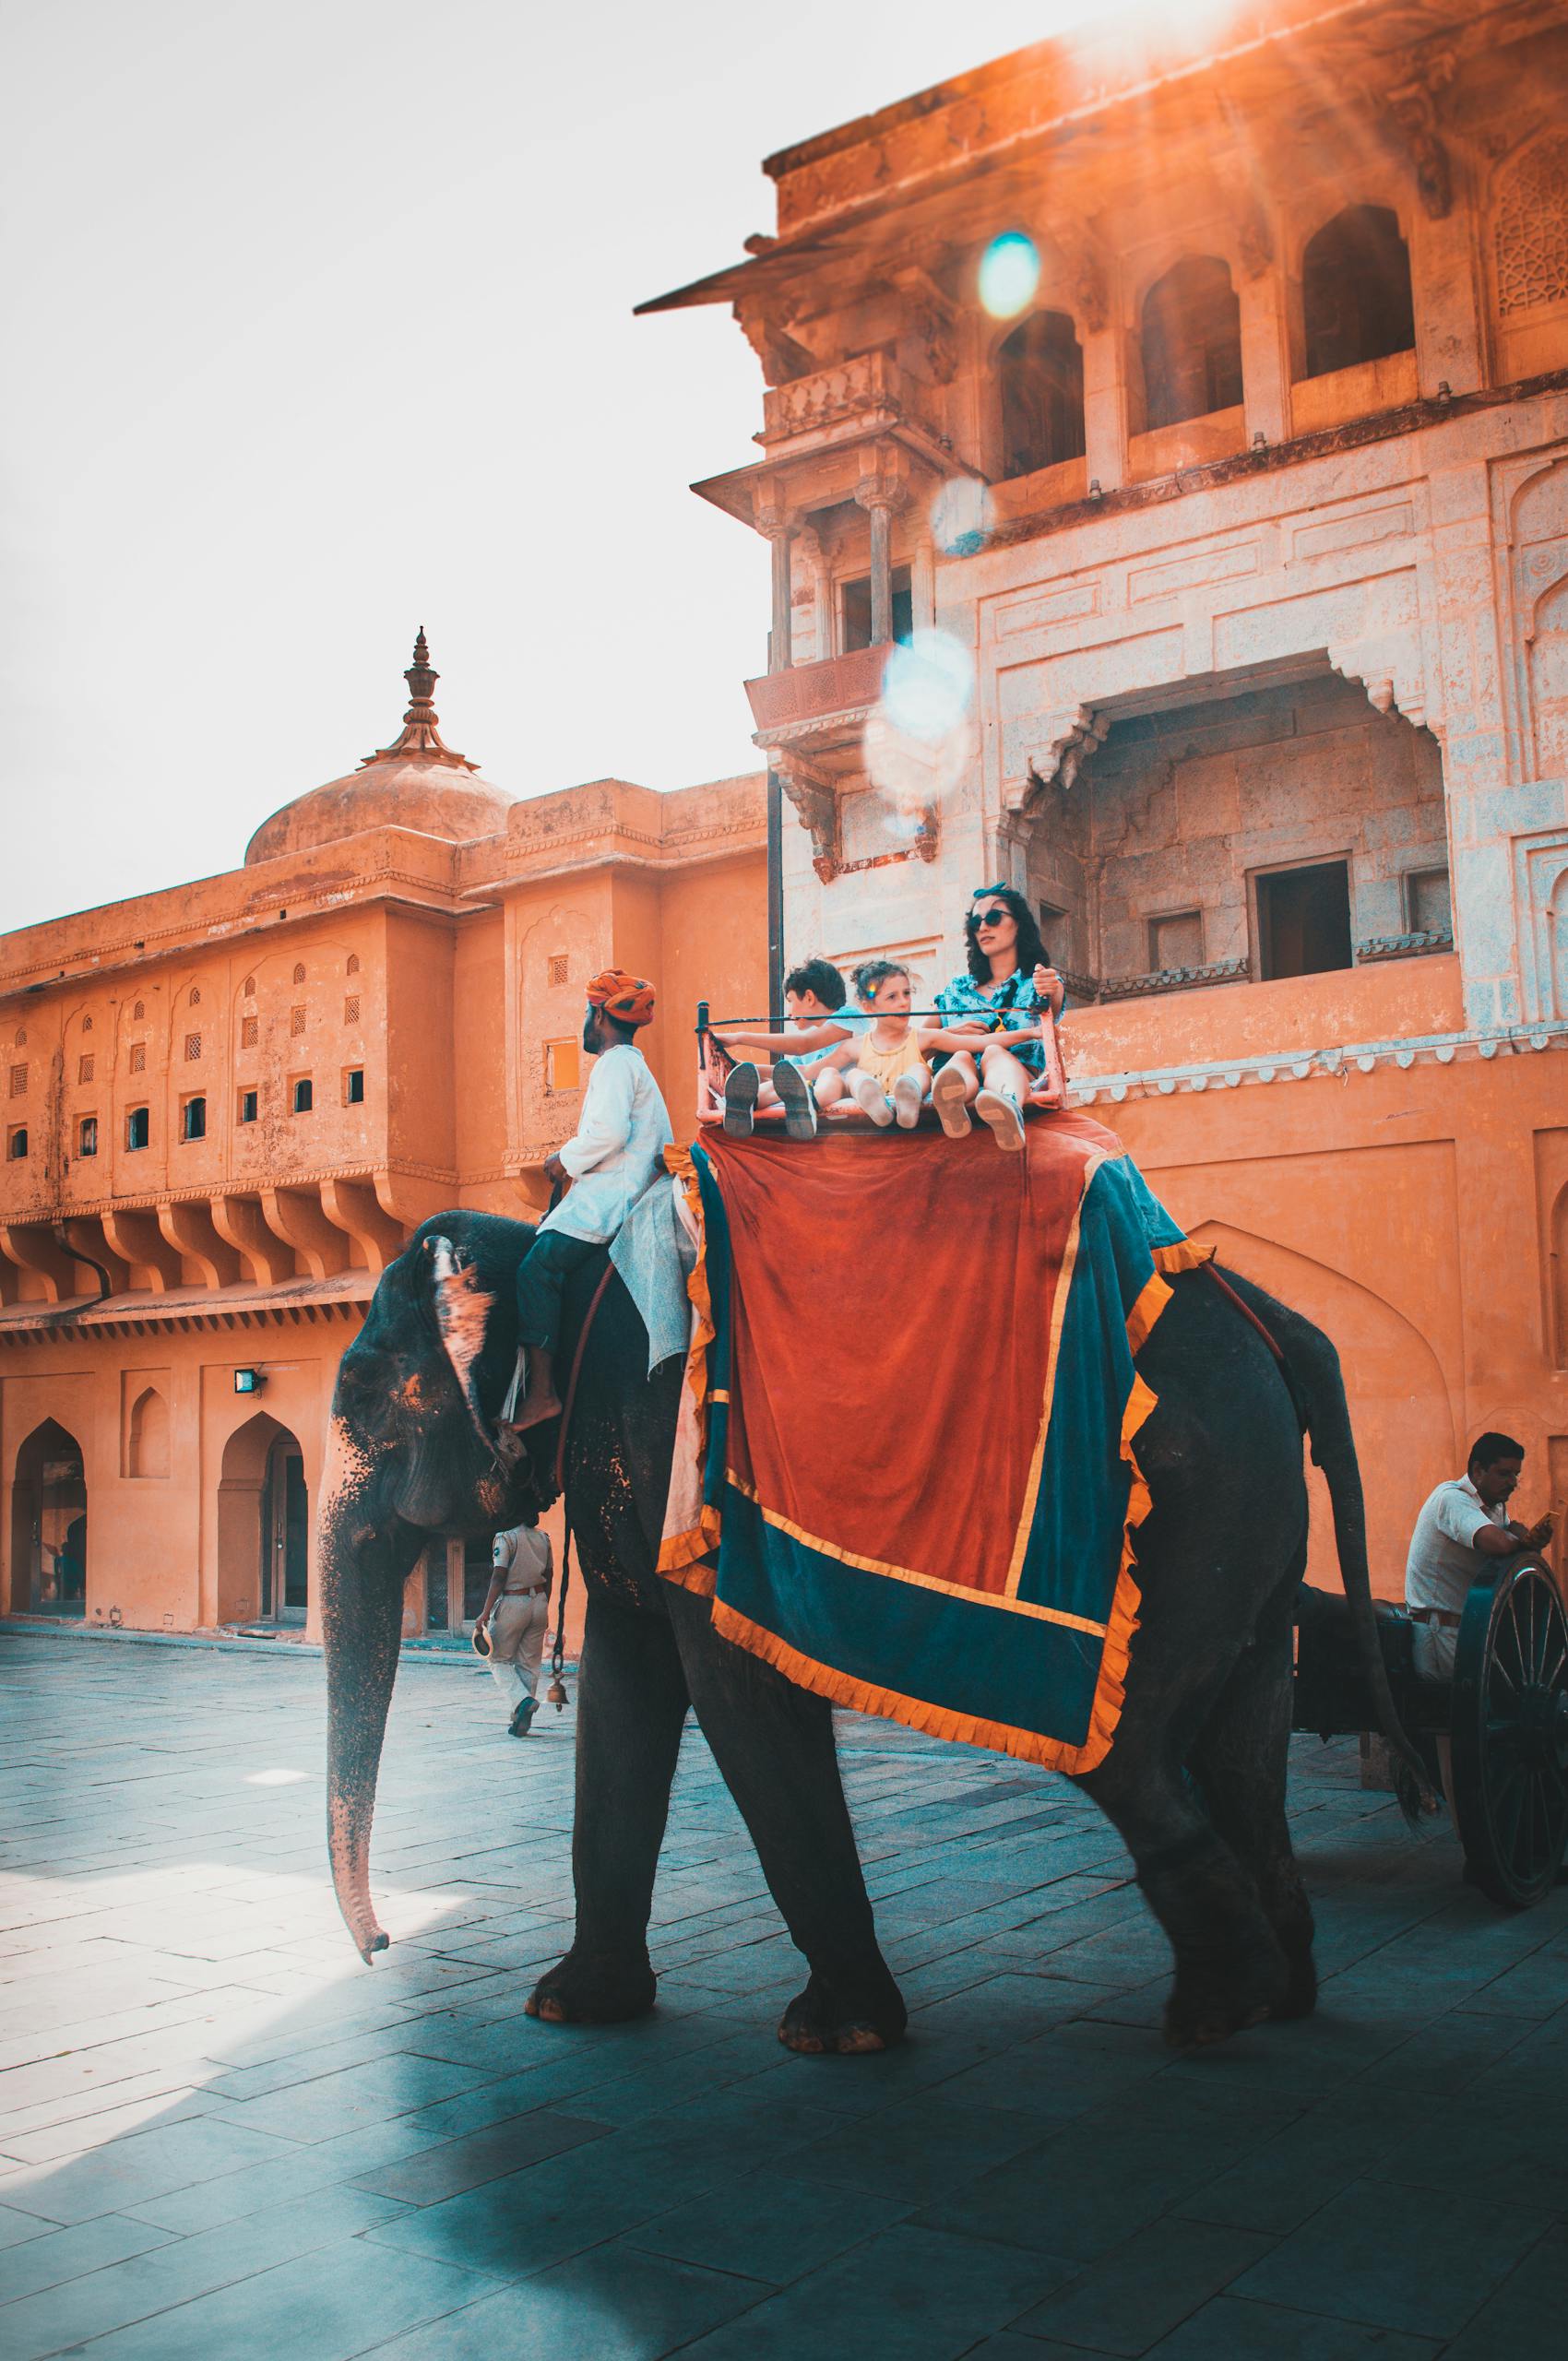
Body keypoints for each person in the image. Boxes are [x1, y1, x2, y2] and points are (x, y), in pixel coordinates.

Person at [510, 968, 672, 1431]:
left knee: (536, 1269)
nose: (586, 1020)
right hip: (625, 1192)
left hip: (612, 1200)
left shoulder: (615, 1063)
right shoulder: (634, 1066)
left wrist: (564, 1159)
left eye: (587, 1011)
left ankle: (541, 1394)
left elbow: (607, 1133)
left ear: (599, 1015)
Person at [1405, 1432, 1555, 1681]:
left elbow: (1511, 1543)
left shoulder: (1493, 1507)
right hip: (1441, 1632)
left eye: (1516, 1474)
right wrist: (1522, 1539)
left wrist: (1522, 1538)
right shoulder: (1452, 1499)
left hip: (1469, 1631)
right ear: (1478, 1470)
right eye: (1504, 1473)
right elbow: (1498, 1543)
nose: (1513, 1482)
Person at [930, 885, 1066, 1151]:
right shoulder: (956, 990)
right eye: (975, 921)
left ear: (1019, 925)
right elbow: (916, 1044)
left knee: (994, 1053)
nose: (982, 927)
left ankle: (1007, 1108)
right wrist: (949, 1037)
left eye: (993, 918)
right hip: (965, 1072)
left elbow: (1053, 994)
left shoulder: (1035, 982)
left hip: (1017, 1075)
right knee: (960, 1058)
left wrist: (1050, 986)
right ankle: (953, 1108)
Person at [714, 957, 860, 1141]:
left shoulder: (850, 1016)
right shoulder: (813, 1040)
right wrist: (747, 1068)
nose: (789, 1012)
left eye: (790, 1001)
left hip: (839, 1089)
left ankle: (746, 1105)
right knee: (776, 1084)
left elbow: (803, 1045)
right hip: (807, 1090)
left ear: (809, 997)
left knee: (799, 1084)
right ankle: (741, 1106)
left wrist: (740, 1037)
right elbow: (791, 1074)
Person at [475, 1513, 552, 1737]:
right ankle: (520, 1718)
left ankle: (522, 1701)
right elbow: (550, 1574)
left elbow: (499, 1576)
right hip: (538, 1601)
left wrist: (486, 1612)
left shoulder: (506, 1538)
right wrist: (543, 1603)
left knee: (498, 1659)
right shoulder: (544, 1538)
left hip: (512, 1601)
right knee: (529, 1663)